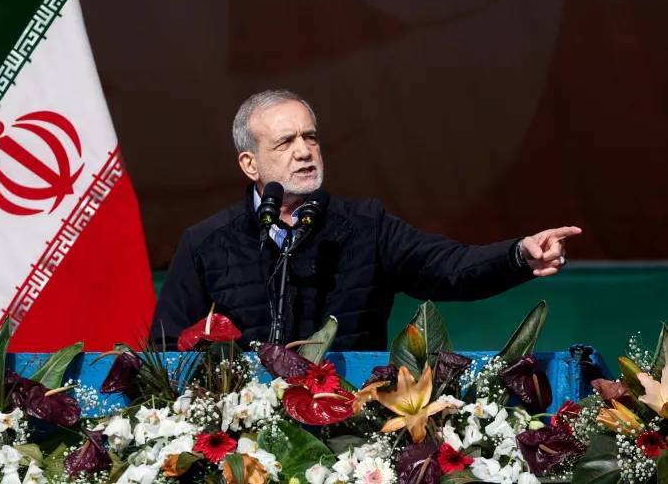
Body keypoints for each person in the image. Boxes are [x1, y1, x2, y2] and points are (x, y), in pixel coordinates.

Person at [153, 89, 581, 350]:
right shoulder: (206, 242)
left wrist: (518, 255)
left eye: (310, 137)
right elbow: (168, 346)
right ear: (250, 164)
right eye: (285, 142)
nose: (304, 151)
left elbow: (449, 268)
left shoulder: (365, 226)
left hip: (350, 431)